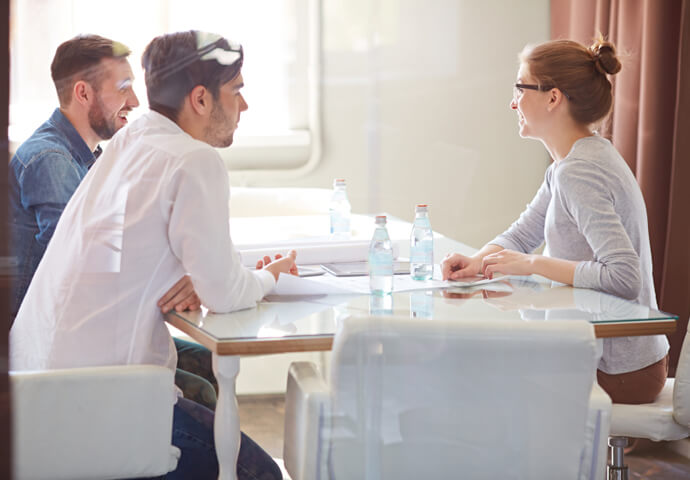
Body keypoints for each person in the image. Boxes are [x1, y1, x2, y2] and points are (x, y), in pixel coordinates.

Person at [10, 30, 296, 479]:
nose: (245, 106)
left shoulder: (131, 141)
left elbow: (120, 254)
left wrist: (190, 272)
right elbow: (223, 292)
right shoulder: (192, 161)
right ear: (200, 99)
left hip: (36, 399)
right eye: (237, 91)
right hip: (98, 412)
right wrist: (271, 278)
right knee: (262, 474)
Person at [441, 38, 669, 405]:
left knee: (474, 375)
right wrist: (478, 261)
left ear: (553, 97)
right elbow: (525, 231)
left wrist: (534, 264)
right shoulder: (571, 163)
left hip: (620, 371)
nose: (512, 102)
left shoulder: (580, 171)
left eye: (520, 88)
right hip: (616, 360)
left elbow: (625, 278)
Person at [8, 33, 218, 409]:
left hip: (82, 331)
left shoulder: (96, 158)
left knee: (205, 362)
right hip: (57, 345)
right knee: (199, 383)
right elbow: (93, 267)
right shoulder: (50, 159)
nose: (136, 102)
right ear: (83, 93)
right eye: (123, 89)